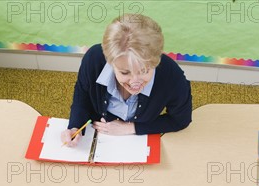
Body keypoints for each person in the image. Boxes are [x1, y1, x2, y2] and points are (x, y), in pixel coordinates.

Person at [61, 14, 192, 146]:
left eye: (144, 71)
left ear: (156, 61)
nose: (135, 82)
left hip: (140, 141)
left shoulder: (171, 74)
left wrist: (131, 128)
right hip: (98, 136)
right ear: (110, 62)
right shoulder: (93, 59)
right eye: (125, 72)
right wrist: (74, 126)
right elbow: (82, 97)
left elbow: (181, 119)